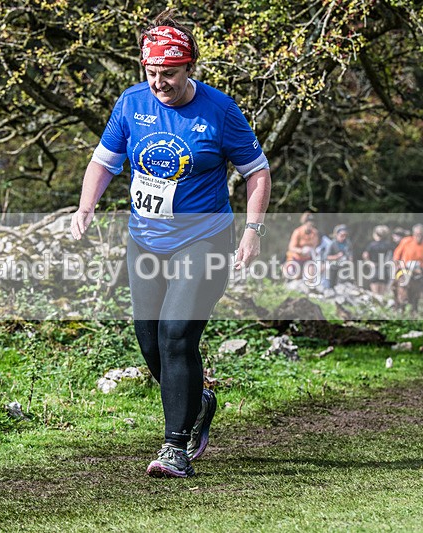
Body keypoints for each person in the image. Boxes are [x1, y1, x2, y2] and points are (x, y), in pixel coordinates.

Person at [69, 9, 271, 479]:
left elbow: (256, 172)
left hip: (204, 240)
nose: (160, 82)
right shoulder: (132, 102)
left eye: (170, 73)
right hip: (146, 240)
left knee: (177, 334)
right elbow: (104, 161)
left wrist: (253, 231)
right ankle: (196, 399)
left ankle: (175, 445)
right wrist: (86, 206)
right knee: (149, 342)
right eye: (152, 72)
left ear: (190, 67)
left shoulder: (220, 111)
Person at [392, 223, 423, 315]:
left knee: (417, 287)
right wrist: (398, 263)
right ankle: (399, 299)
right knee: (401, 281)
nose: (418, 237)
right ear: (413, 234)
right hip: (405, 267)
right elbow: (397, 254)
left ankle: (415, 306)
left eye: (420, 235)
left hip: (417, 269)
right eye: (416, 234)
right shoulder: (406, 241)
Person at [284, 212, 329, 280]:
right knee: (297, 277)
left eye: (311, 223)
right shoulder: (297, 232)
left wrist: (314, 252)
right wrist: (301, 251)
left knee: (311, 276)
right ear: (304, 223)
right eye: (308, 222)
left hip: (308, 259)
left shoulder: (315, 232)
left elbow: (315, 246)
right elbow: (291, 247)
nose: (310, 225)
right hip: (297, 258)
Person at [362, 224, 396, 296]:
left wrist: (369, 262)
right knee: (382, 295)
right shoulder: (389, 245)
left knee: (375, 295)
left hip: (375, 269)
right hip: (385, 270)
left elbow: (365, 255)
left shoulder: (372, 245)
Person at [324, 223, 353, 288]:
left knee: (341, 284)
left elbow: (350, 254)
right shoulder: (332, 244)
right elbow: (326, 257)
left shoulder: (348, 243)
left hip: (344, 267)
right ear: (337, 234)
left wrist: (350, 259)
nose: (343, 237)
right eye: (342, 235)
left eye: (345, 235)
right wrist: (336, 256)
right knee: (331, 284)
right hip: (333, 267)